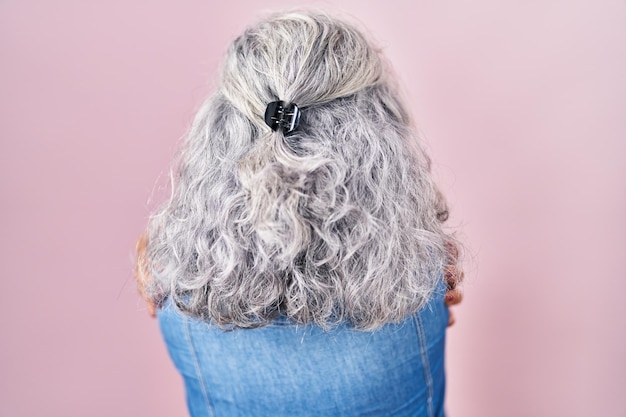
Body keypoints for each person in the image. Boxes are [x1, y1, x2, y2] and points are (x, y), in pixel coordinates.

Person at [135, 10, 463, 417]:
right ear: (379, 139)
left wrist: (156, 254)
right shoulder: (428, 276)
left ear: (219, 131)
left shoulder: (167, 280)